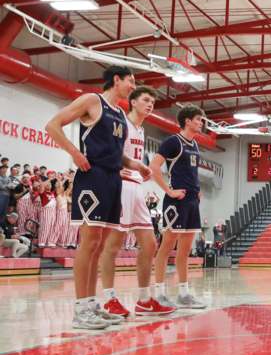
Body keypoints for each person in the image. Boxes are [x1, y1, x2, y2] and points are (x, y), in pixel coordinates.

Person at [45, 65, 151, 329]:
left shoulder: (119, 114)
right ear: (116, 80)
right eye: (131, 81)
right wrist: (74, 152)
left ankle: (92, 304)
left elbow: (118, 154)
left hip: (114, 178)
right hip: (92, 177)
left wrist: (136, 165)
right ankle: (80, 309)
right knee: (89, 242)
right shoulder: (93, 101)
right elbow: (52, 125)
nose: (133, 86)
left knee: (99, 246)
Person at [99, 86, 175, 318]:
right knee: (113, 244)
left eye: (152, 101)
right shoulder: (120, 121)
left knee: (150, 243)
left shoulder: (141, 130)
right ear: (132, 102)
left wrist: (142, 171)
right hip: (120, 184)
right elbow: (112, 154)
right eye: (145, 100)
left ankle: (143, 300)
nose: (150, 104)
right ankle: (108, 299)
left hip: (136, 187)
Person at [150, 104, 208, 310]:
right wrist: (168, 190)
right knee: (166, 247)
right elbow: (154, 167)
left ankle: (184, 294)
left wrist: (198, 189)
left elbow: (190, 171)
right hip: (176, 201)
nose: (201, 123)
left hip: (192, 201)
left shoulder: (195, 144)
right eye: (198, 119)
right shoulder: (173, 142)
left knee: (185, 250)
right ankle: (159, 293)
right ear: (187, 121)